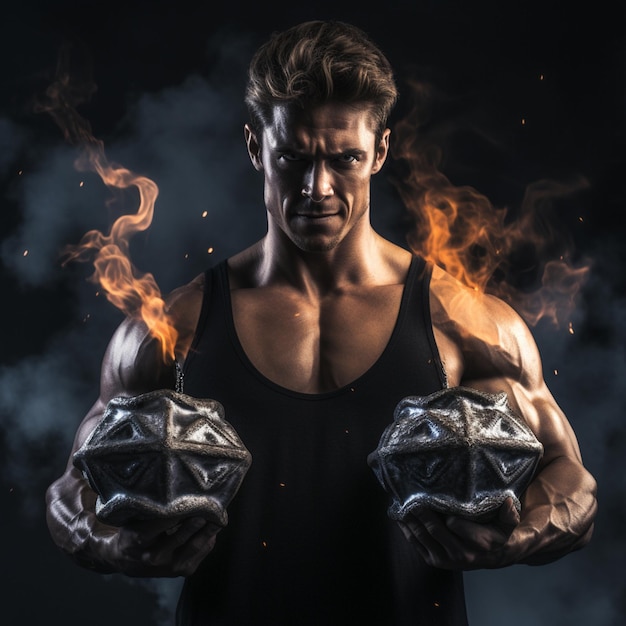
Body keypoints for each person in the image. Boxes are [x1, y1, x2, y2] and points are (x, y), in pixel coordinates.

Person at [45, 20, 598, 625]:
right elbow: (72, 490)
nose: (318, 187)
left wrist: (514, 540)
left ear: (380, 152)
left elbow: (570, 481)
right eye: (294, 158)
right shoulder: (172, 327)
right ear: (257, 147)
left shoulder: (462, 321)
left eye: (346, 159)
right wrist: (115, 545)